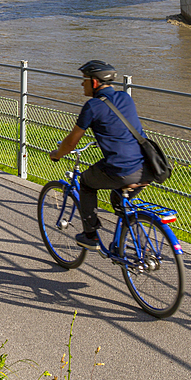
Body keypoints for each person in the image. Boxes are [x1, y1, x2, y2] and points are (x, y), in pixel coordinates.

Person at [49, 60, 149, 246]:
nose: (82, 84)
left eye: (84, 79)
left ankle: (90, 235)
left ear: (94, 83)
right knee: (119, 200)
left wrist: (57, 154)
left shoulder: (92, 106)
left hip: (121, 169)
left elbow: (71, 142)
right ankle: (135, 245)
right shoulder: (126, 98)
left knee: (86, 182)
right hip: (146, 168)